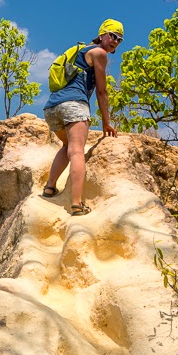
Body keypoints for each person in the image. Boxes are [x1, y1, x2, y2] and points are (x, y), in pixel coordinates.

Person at [41, 19, 123, 216]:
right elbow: (102, 92)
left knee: (67, 146)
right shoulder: (99, 53)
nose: (115, 41)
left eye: (119, 39)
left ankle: (50, 187)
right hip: (74, 105)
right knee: (77, 151)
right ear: (102, 34)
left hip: (52, 108)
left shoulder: (81, 51)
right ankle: (77, 205)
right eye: (112, 36)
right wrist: (106, 122)